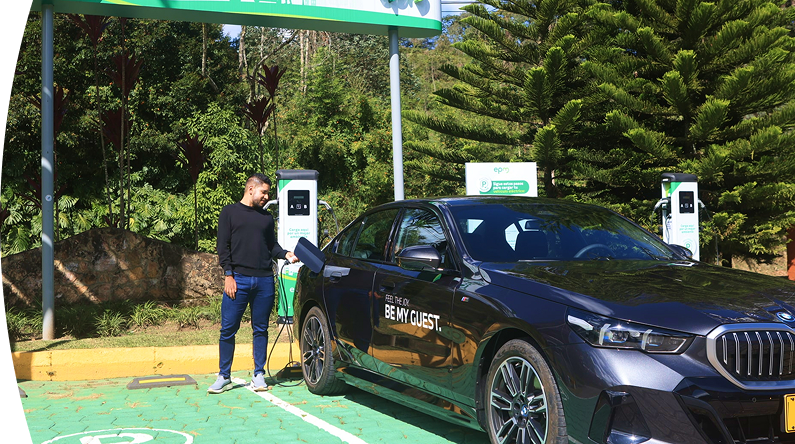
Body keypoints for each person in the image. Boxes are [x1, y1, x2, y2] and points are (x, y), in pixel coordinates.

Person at [208, 173, 298, 394]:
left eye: (267, 193)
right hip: (237, 280)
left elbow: (271, 246)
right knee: (228, 329)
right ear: (251, 189)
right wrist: (228, 275)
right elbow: (223, 247)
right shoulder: (229, 213)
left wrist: (286, 253)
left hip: (265, 281)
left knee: (260, 329)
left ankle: (258, 374)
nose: (266, 197)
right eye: (264, 192)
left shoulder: (266, 218)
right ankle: (224, 376)